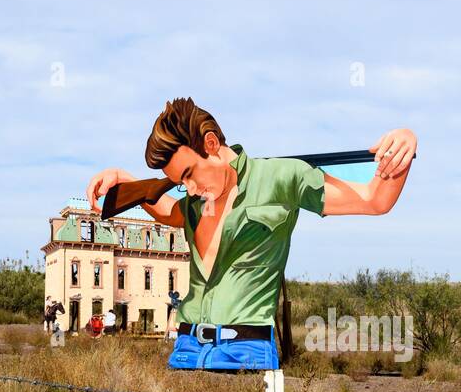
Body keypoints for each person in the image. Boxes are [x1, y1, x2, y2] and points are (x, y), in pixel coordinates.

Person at [86, 98, 416, 371]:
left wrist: (404, 142)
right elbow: (166, 210)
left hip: (246, 359)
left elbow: (374, 200)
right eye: (179, 183)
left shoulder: (281, 177)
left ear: (211, 144)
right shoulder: (194, 204)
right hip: (184, 354)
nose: (188, 188)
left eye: (188, 174)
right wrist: (124, 181)